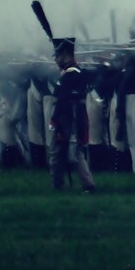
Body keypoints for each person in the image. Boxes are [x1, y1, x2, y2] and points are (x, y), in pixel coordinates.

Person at [48, 37, 96, 193]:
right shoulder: (72, 74)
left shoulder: (72, 75)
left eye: (58, 55)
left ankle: (88, 186)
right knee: (58, 153)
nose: (56, 59)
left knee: (74, 154)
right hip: (68, 117)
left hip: (70, 118)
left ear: (65, 55)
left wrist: (55, 120)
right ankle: (58, 187)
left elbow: (64, 100)